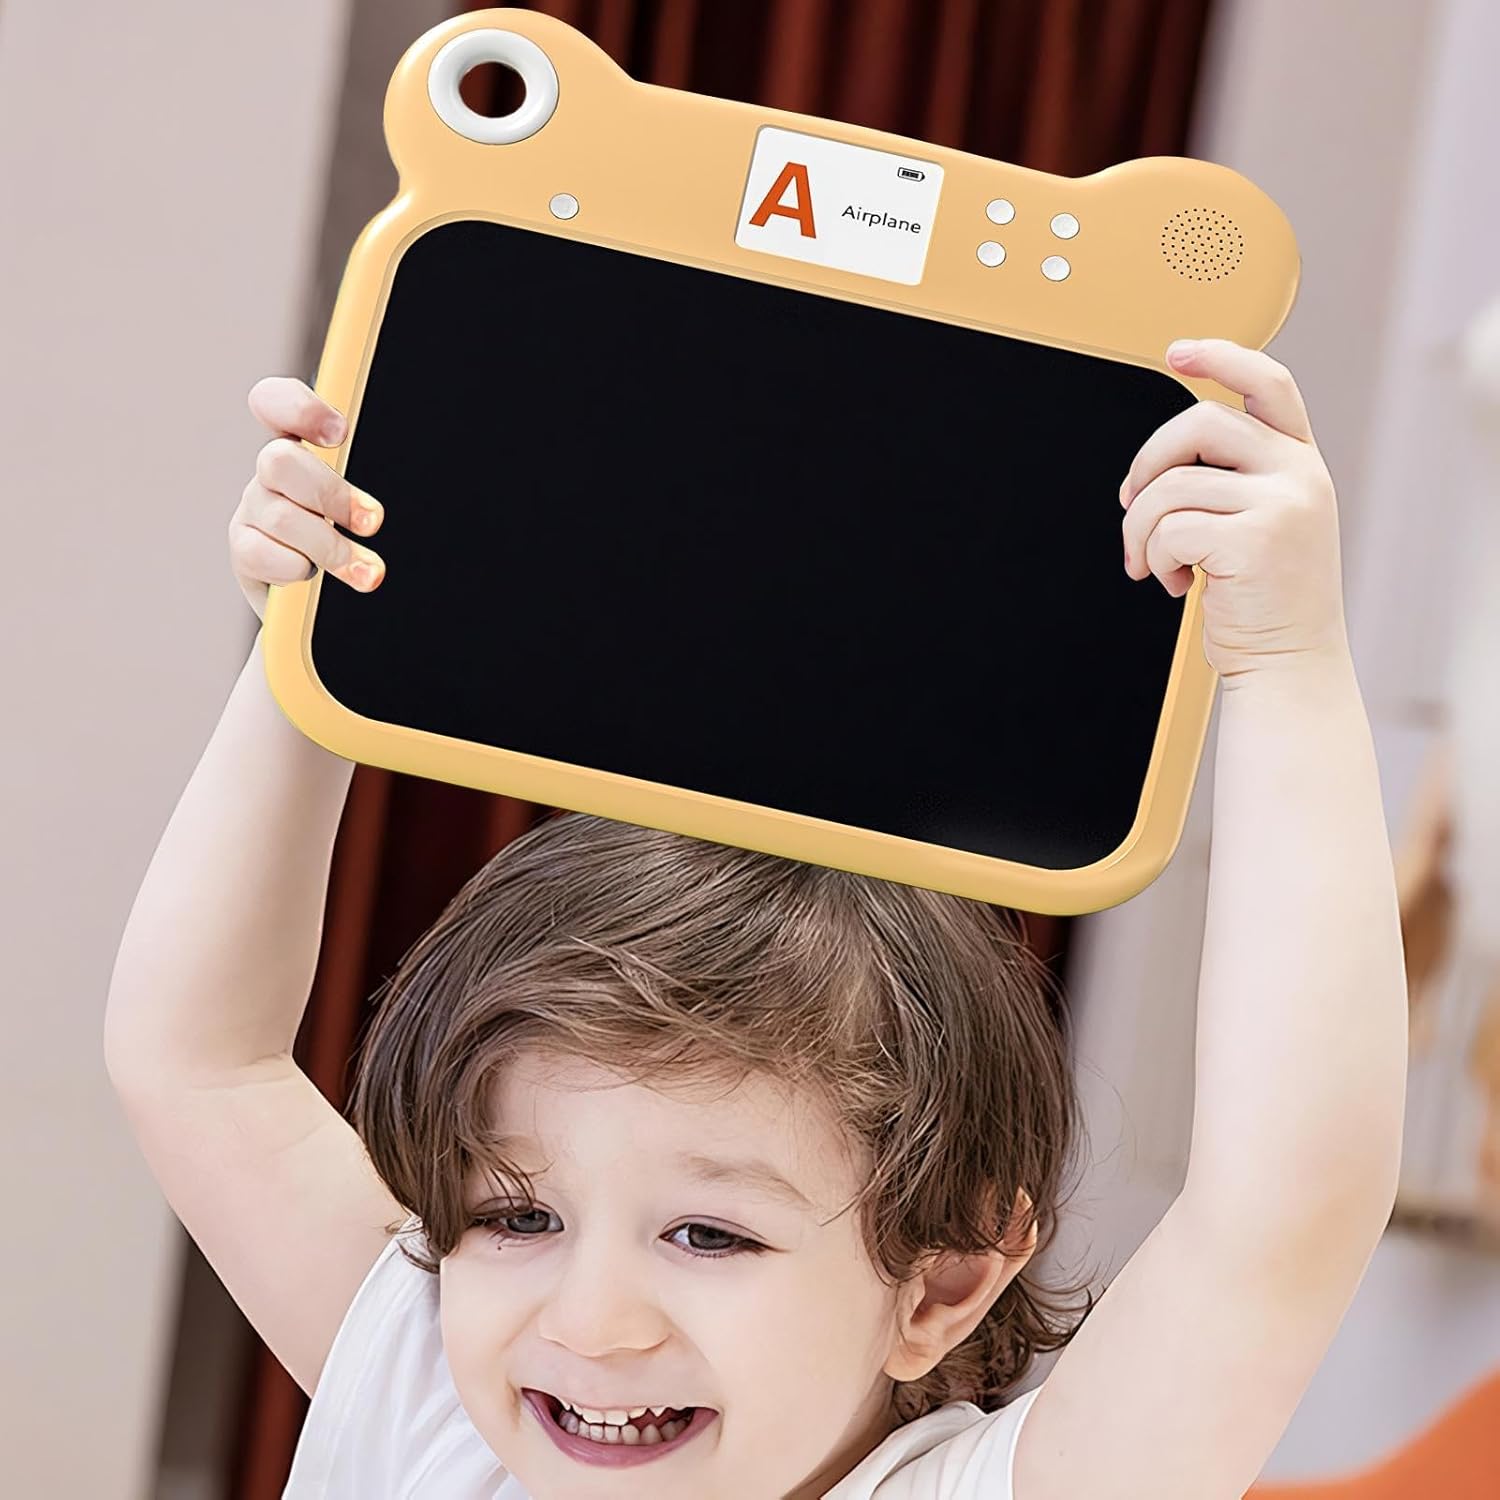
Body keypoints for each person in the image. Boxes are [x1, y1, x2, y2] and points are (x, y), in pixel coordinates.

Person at [104, 338, 1409, 1498]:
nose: (591, 1321)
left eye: (708, 1234)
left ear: (943, 1280)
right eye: (516, 1216)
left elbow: (1281, 1221)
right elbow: (200, 1061)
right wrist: (309, 631)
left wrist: (1284, 660)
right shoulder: (430, 1409)